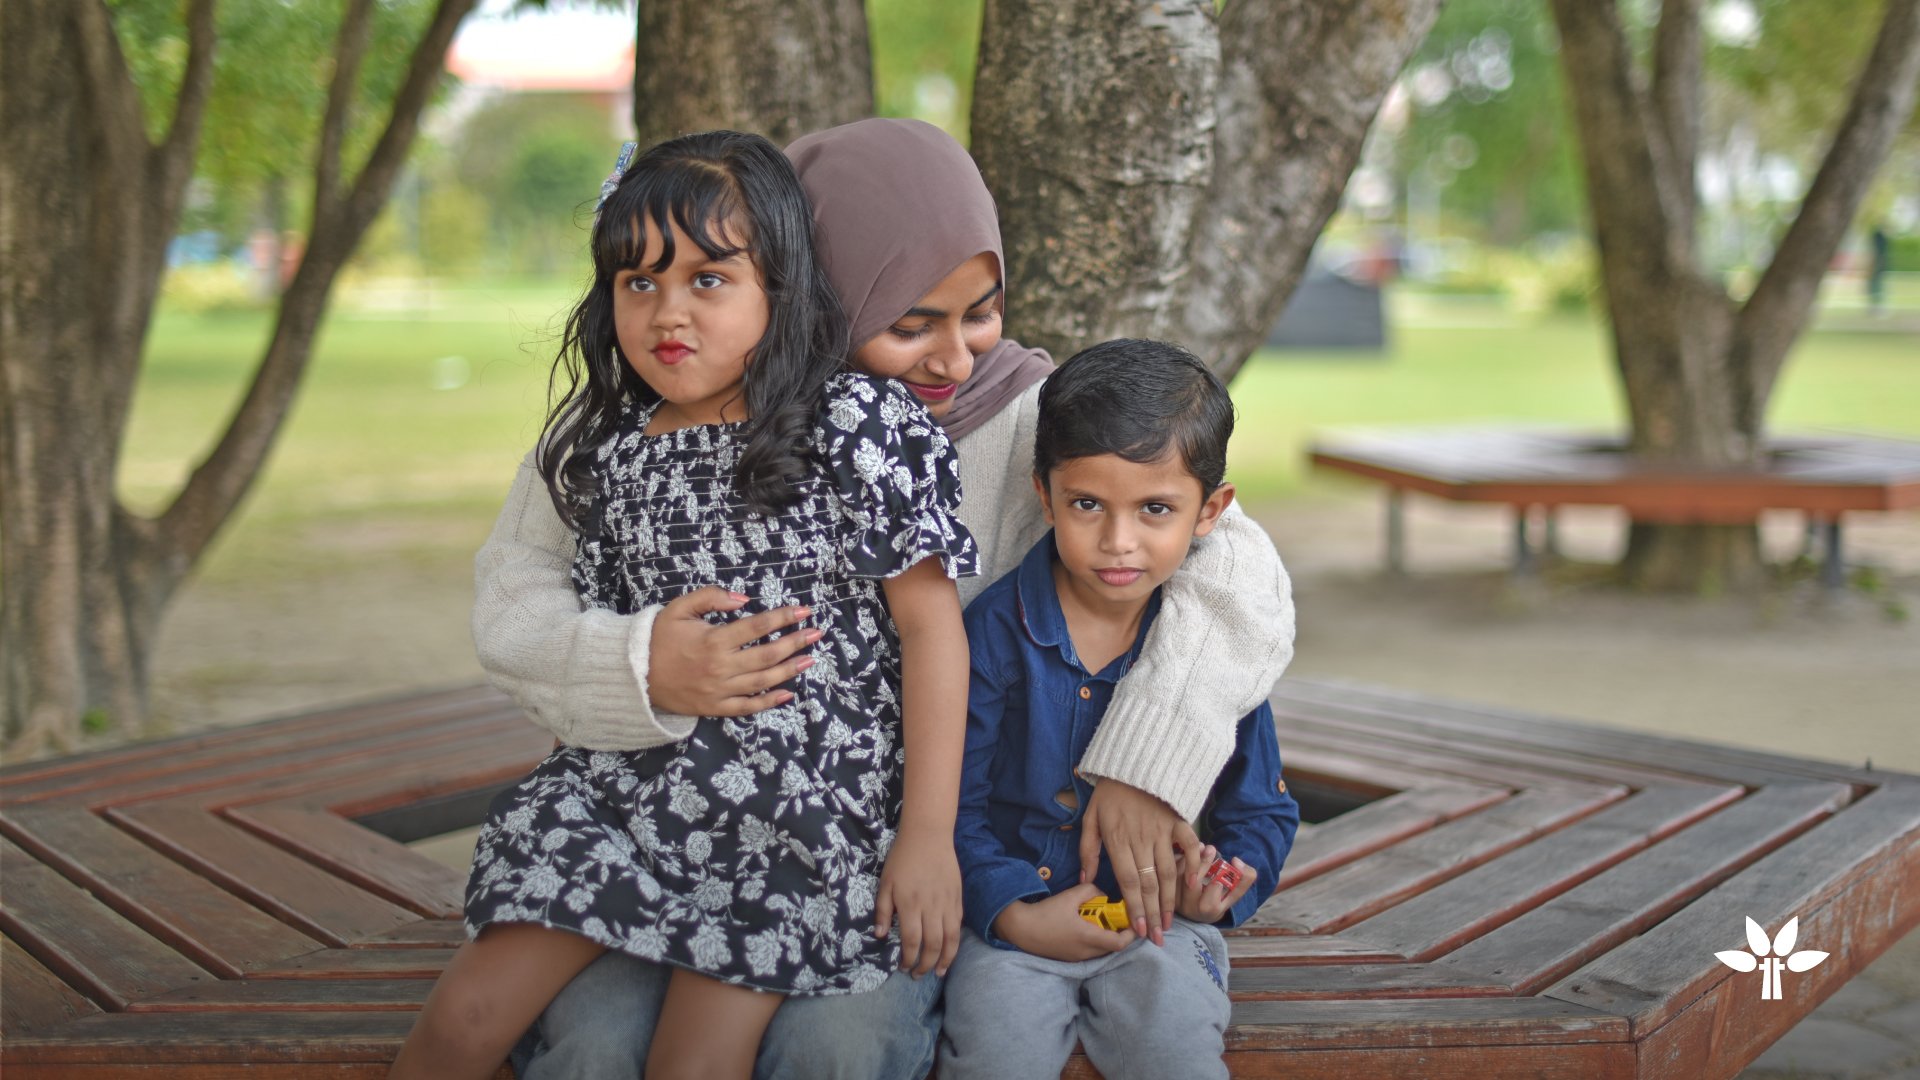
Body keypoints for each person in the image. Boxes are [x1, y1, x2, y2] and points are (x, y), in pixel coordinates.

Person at [484, 119, 1296, 1078]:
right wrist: (639, 664)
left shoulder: (1028, 416)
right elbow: (512, 600)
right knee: (597, 1045)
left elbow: (1236, 573)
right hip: (656, 820)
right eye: (910, 325)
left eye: (981, 313)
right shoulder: (661, 417)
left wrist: (1143, 765)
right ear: (811, 290)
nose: (956, 359)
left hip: (894, 845)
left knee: (835, 1048)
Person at [390, 130, 975, 1080]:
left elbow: (930, 630)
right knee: (466, 1017)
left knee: (690, 1065)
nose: (669, 312)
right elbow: (560, 612)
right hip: (619, 795)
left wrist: (926, 836)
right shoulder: (608, 446)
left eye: (709, 279)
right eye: (639, 281)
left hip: (794, 815)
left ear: (780, 286)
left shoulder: (855, 422)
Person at [939, 339, 1300, 1080]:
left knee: (1178, 1056)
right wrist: (1013, 912)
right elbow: (952, 809)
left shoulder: (1209, 651)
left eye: (1156, 509)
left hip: (1162, 929)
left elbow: (1261, 812)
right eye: (1087, 505)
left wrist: (1223, 886)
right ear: (1044, 496)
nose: (1118, 542)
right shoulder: (993, 632)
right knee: (993, 1058)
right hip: (1013, 932)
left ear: (1211, 510)